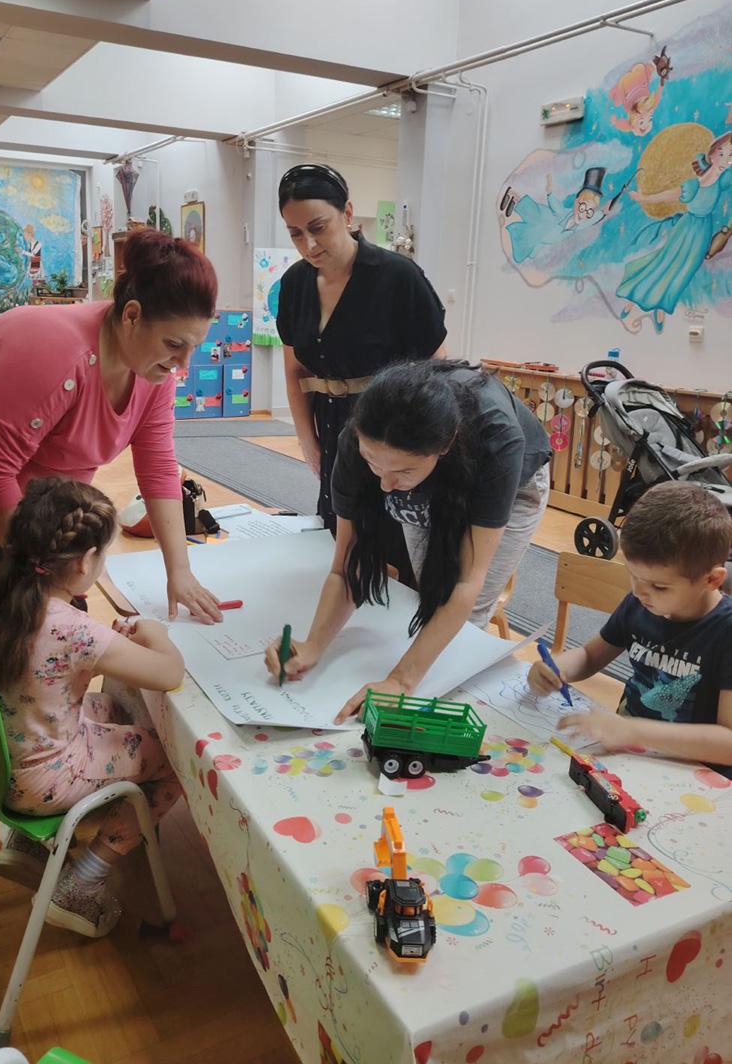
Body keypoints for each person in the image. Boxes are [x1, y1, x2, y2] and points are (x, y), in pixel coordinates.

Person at [0, 229, 224, 651]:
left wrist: (179, 571)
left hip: (25, 482)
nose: (183, 363)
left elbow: (157, 468)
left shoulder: (155, 373)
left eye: (194, 347)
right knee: (2, 627)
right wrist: (40, 571)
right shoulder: (55, 351)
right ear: (132, 316)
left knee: (55, 618)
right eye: (174, 344)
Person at [264, 360, 552, 722]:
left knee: (467, 614)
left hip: (508, 480)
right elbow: (347, 565)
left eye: (402, 470)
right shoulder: (362, 440)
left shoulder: (498, 438)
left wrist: (400, 681)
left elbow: (465, 583)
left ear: (445, 446)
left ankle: (445, 711)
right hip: (426, 465)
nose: (385, 486)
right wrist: (312, 646)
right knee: (428, 591)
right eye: (373, 464)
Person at [0, 477, 184, 937]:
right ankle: (84, 880)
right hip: (39, 780)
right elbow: (169, 673)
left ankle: (27, 843)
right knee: (174, 763)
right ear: (85, 561)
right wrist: (155, 633)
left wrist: (107, 649)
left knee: (107, 705)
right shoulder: (71, 627)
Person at [275, 164, 447, 541]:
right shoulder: (293, 284)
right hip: (330, 422)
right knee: (337, 528)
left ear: (348, 213)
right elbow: (295, 371)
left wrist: (418, 451)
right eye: (296, 233)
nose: (309, 245)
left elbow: (439, 374)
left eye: (319, 227)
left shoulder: (398, 276)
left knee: (391, 536)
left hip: (391, 429)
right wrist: (307, 439)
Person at [529, 482, 732, 777]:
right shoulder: (641, 603)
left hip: (696, 776)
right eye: (632, 575)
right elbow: (590, 656)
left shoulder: (725, 631)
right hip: (629, 757)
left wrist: (634, 731)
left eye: (659, 586)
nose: (638, 591)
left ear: (711, 580)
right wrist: (558, 669)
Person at [618, 131, 732, 332]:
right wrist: (644, 198)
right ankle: (633, 298)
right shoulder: (694, 184)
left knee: (683, 272)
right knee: (665, 263)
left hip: (703, 232)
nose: (725, 161)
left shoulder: (724, 179)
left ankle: (661, 305)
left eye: (730, 156)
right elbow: (671, 194)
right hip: (687, 229)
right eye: (721, 154)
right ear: (712, 155)